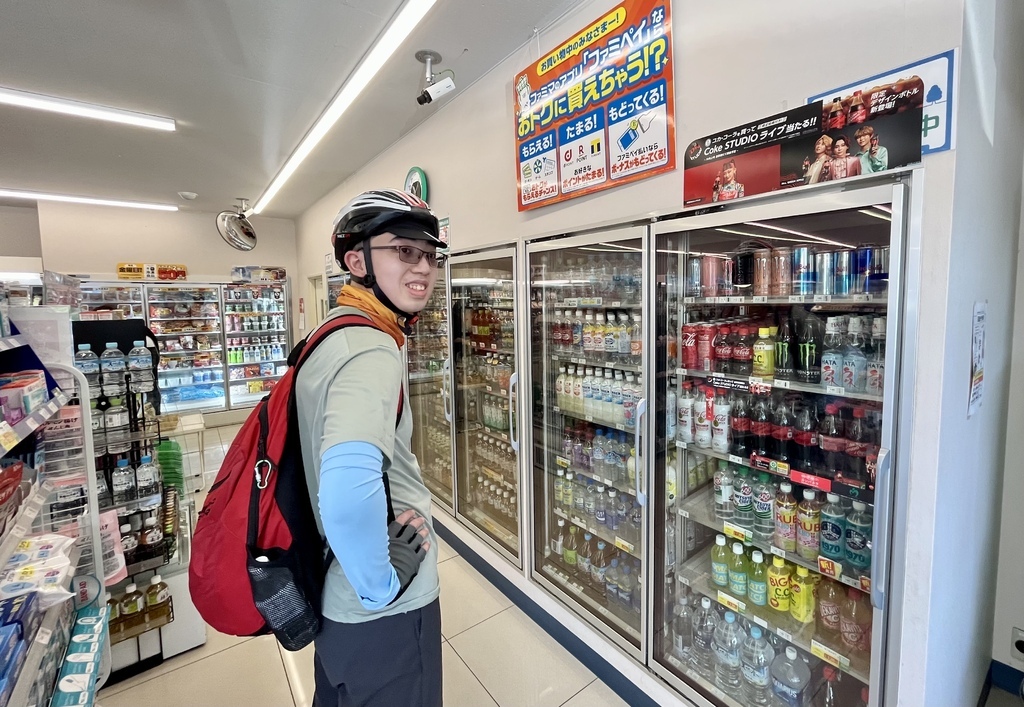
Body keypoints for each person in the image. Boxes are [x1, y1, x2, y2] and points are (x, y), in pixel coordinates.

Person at [295, 188, 446, 707]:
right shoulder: (372, 349)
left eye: (428, 254)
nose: (422, 266)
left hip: (334, 602)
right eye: (403, 250)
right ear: (356, 260)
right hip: (381, 612)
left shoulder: (331, 332)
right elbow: (345, 488)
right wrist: (381, 584)